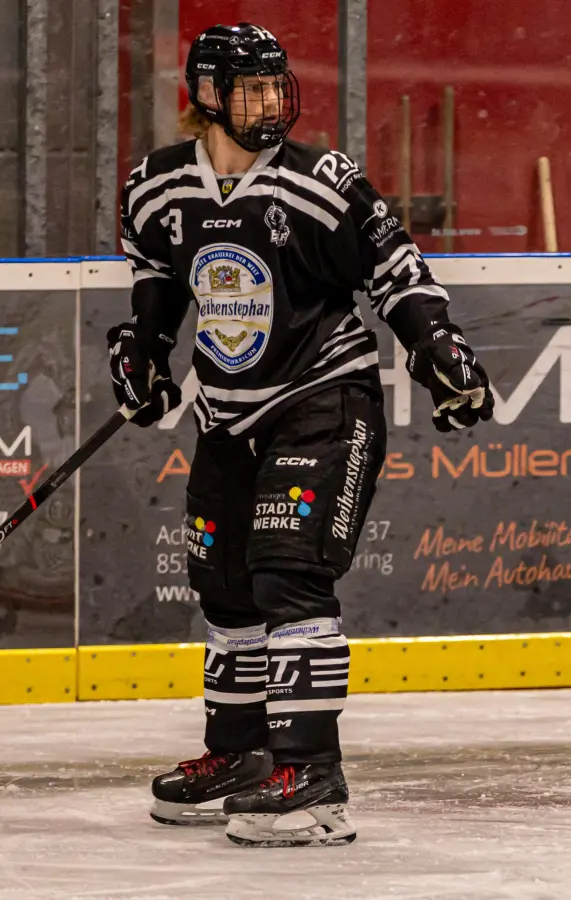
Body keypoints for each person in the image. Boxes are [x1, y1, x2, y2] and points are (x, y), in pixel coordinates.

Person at [113, 23, 493, 846]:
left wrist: (440, 351)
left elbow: (395, 270)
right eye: (251, 87)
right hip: (225, 412)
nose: (272, 101)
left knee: (289, 578)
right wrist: (142, 351)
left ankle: (314, 780)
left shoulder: (318, 182)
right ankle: (242, 757)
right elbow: (158, 275)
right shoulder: (156, 187)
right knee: (222, 585)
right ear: (206, 95)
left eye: (278, 85)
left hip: (322, 399)